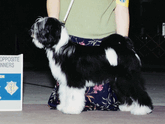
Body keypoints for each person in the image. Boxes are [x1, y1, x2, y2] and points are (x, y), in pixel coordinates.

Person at [47, 0, 130, 111]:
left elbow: (122, 8)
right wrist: (53, 32)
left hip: (103, 44)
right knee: (68, 91)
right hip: (69, 39)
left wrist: (122, 46)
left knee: (103, 101)